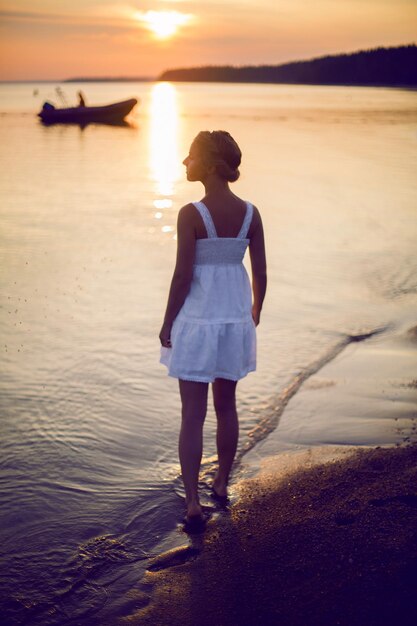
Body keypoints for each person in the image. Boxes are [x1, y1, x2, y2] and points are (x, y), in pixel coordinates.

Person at [159, 130, 267, 532]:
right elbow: (261, 272)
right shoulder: (251, 213)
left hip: (198, 323)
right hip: (233, 322)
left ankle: (191, 502)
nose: (183, 163)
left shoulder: (192, 213)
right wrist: (255, 310)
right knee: (227, 406)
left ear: (207, 164)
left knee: (192, 414)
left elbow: (183, 274)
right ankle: (221, 482)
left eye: (189, 156)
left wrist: (167, 321)